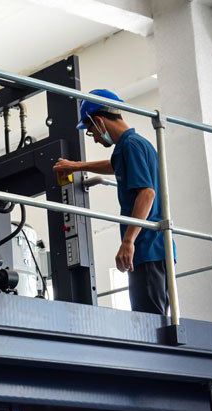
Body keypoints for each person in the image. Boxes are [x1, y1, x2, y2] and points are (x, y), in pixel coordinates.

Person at [52, 89, 174, 315]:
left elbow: (147, 193)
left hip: (146, 247)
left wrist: (128, 242)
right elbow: (114, 165)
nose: (96, 139)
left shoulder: (130, 145)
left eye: (91, 133)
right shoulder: (134, 145)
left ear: (99, 121)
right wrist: (78, 166)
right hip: (153, 248)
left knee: (149, 323)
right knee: (152, 318)